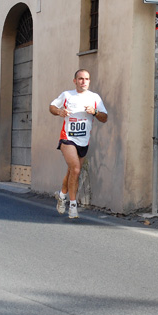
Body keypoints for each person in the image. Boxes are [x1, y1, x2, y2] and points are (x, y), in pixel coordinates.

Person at [49, 69, 108, 218]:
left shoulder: (94, 97)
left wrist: (94, 112)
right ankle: (73, 206)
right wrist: (59, 112)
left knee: (72, 170)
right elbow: (52, 107)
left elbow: (104, 117)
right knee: (75, 170)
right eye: (80, 79)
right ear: (75, 81)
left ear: (89, 81)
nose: (83, 81)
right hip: (67, 138)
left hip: (83, 140)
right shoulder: (67, 95)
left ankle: (62, 195)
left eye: (86, 79)